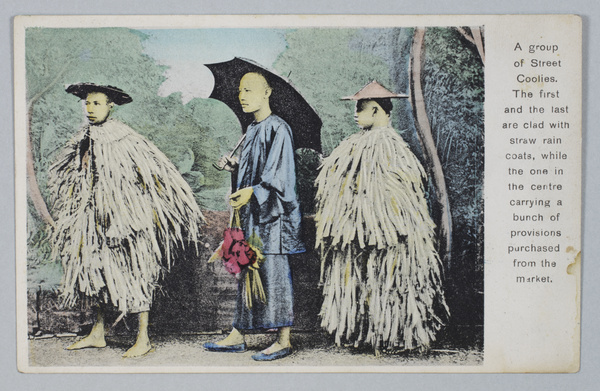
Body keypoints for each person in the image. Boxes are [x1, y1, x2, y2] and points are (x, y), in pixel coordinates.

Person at [48, 83, 204, 357]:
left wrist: (137, 209)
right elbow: (75, 172)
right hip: (91, 219)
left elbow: (156, 175)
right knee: (94, 273)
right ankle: (98, 333)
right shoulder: (84, 137)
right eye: (87, 103)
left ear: (111, 105)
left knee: (135, 273)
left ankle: (143, 338)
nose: (90, 108)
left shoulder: (125, 138)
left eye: (97, 103)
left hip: (124, 221)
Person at [314, 81, 449, 355]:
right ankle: (364, 334)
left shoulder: (391, 148)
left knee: (388, 285)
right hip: (354, 234)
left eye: (360, 107)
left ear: (376, 110)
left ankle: (393, 336)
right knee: (360, 282)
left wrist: (372, 218)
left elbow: (398, 193)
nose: (355, 112)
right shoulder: (355, 143)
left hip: (387, 238)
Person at [204, 72, 304, 361]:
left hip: (273, 218)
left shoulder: (279, 129)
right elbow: (253, 170)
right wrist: (234, 165)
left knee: (274, 275)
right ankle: (239, 333)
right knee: (246, 269)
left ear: (267, 92)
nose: (242, 96)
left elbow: (281, 179)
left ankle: (283, 339)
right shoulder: (251, 129)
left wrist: (253, 193)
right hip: (250, 217)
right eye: (240, 90)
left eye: (249, 90)